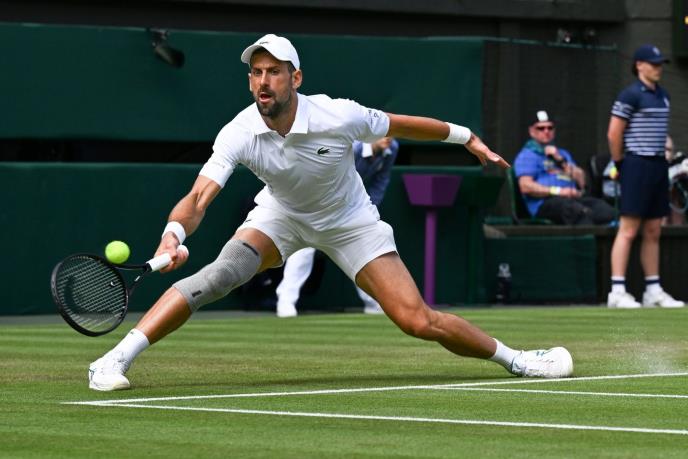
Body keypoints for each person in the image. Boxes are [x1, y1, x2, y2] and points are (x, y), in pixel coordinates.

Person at [87, 33, 573, 391]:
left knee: (417, 320)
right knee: (217, 276)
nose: (263, 81)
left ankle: (518, 359)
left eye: (273, 71)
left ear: (295, 78)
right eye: (256, 72)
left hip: (350, 222)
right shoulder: (238, 131)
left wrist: (467, 138)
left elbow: (402, 124)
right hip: (281, 216)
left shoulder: (337, 115)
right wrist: (173, 234)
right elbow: (198, 198)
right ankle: (113, 359)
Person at [276, 137, 399, 317]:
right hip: (315, 200)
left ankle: (374, 304)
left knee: (364, 248)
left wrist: (369, 210)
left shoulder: (391, 148)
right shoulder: (351, 149)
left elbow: (381, 182)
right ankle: (286, 302)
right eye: (384, 133)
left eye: (392, 133)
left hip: (349, 206)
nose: (389, 138)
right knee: (304, 249)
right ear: (370, 135)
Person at [606, 44, 684, 308]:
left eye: (660, 64)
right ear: (639, 65)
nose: (658, 68)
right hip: (635, 164)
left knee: (653, 230)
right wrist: (620, 164)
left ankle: (653, 290)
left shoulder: (664, 95)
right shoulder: (629, 95)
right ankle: (617, 291)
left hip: (658, 166)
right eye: (653, 63)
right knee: (628, 229)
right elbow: (614, 133)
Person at [513, 110, 616, 225]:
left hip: (573, 198)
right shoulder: (527, 155)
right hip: (546, 203)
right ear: (532, 131)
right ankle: (588, 236)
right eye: (541, 128)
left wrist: (560, 160)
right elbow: (526, 187)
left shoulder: (562, 154)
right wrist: (559, 191)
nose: (546, 131)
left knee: (604, 210)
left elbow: (582, 182)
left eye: (550, 128)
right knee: (576, 211)